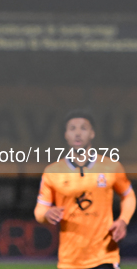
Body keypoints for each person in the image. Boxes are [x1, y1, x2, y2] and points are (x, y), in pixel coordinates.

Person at [34, 110, 136, 269]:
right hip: (69, 261)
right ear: (66, 135)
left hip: (105, 257)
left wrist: (123, 220)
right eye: (72, 128)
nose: (78, 133)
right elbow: (39, 210)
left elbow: (128, 196)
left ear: (92, 133)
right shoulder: (52, 172)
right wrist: (46, 214)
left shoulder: (111, 166)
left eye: (83, 128)